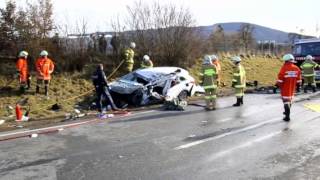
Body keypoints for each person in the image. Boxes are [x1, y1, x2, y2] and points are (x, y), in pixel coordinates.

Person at [276, 54, 302, 122]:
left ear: (286, 61)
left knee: (285, 102)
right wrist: (298, 86)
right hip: (292, 87)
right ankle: (287, 112)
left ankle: (287, 116)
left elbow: (280, 78)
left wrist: (278, 85)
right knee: (289, 100)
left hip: (285, 87)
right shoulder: (297, 68)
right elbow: (299, 79)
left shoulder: (284, 68)